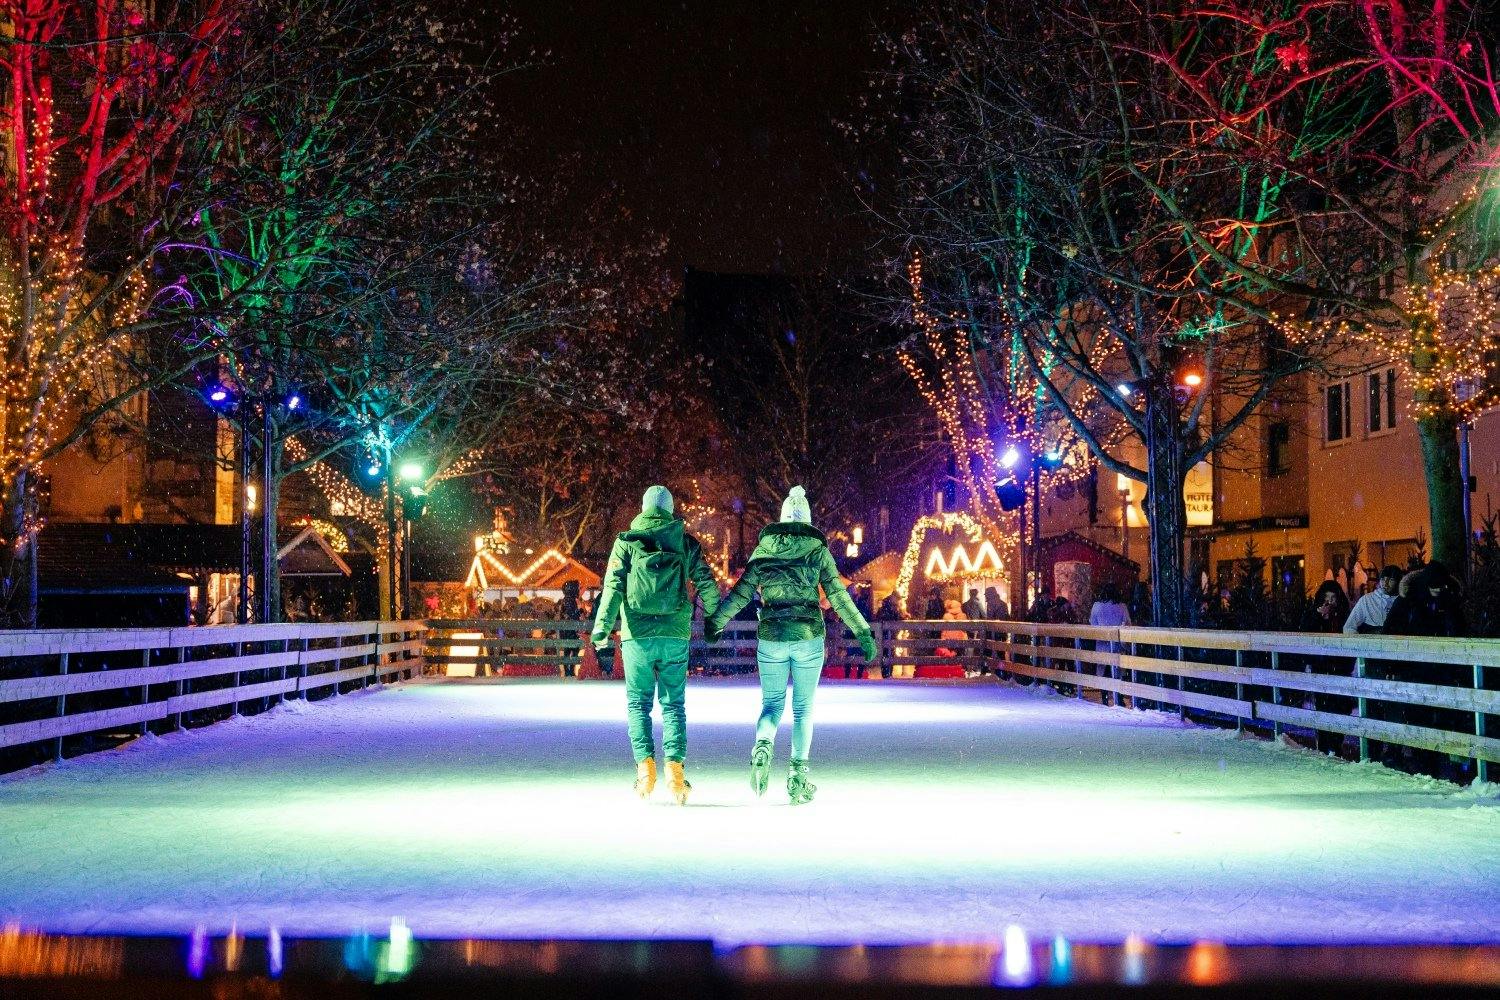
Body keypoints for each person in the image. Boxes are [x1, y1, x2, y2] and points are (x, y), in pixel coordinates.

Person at [706, 486, 876, 804]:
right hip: (808, 636)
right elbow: (838, 595)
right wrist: (862, 632)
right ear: (808, 520)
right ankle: (797, 778)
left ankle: (763, 744)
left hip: (771, 636)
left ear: (782, 520)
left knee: (771, 705)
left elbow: (742, 592)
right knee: (803, 709)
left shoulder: (764, 549)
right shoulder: (817, 551)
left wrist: (716, 621)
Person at [591, 485, 722, 804]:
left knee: (638, 703)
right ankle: (676, 775)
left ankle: (645, 772)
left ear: (644, 508)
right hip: (675, 632)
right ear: (670, 509)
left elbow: (612, 588)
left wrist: (602, 628)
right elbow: (706, 582)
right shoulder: (685, 542)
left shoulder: (625, 543)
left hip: (636, 633)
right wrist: (715, 618)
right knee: (673, 704)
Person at [1344, 565, 1402, 633]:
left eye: (1391, 580)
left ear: (1398, 582)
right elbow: (1349, 627)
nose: (1385, 584)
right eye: (1383, 579)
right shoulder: (1367, 600)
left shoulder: (1404, 601)